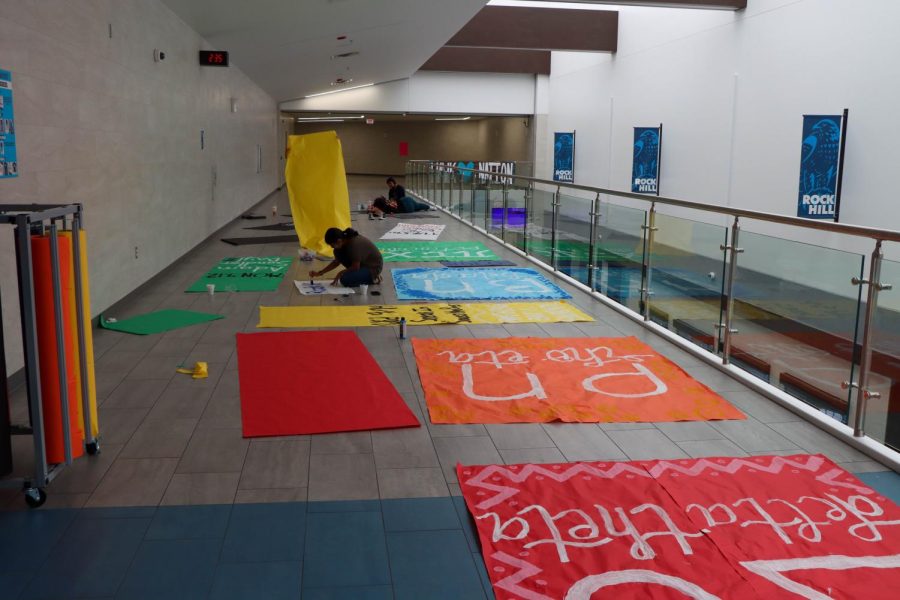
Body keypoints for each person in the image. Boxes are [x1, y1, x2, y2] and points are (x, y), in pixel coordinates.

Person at [309, 227, 383, 287]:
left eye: (332, 245)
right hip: (362, 264)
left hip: (373, 267)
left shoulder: (354, 244)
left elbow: (355, 267)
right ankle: (362, 275)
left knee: (345, 280)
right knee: (337, 252)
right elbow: (336, 262)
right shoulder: (343, 243)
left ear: (339, 241)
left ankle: (373, 278)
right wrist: (320, 273)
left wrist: (340, 273)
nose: (331, 247)